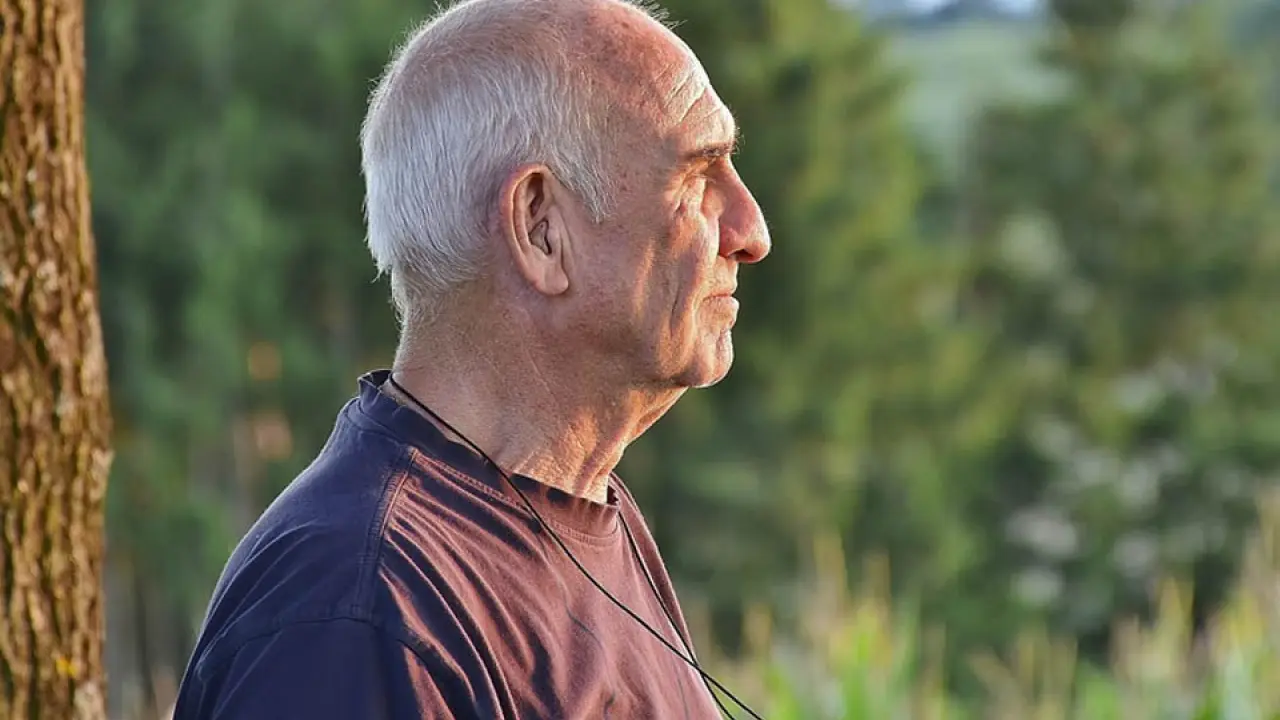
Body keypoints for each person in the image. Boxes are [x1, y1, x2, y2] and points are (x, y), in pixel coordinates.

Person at [172, 0, 770, 716]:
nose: (750, 231)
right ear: (540, 227)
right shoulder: (359, 614)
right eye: (697, 177)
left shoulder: (581, 508)